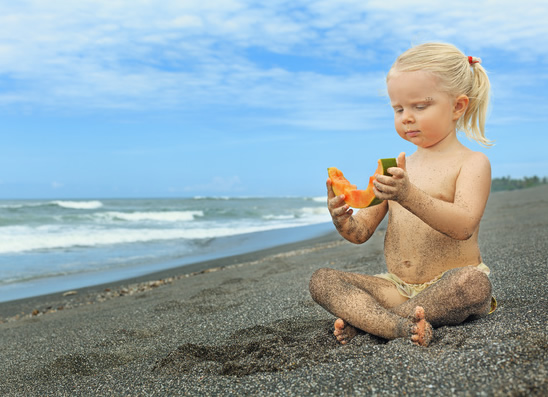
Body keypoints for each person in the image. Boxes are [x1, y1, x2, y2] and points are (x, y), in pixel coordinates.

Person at [309, 42, 496, 347]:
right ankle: (395, 325)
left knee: (473, 284)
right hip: (394, 287)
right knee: (322, 280)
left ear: (458, 106)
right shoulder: (394, 167)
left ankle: (376, 323)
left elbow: (463, 226)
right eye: (398, 109)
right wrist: (342, 219)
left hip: (446, 284)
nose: (406, 117)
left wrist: (408, 194)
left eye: (420, 106)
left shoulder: (472, 163)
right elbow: (360, 232)